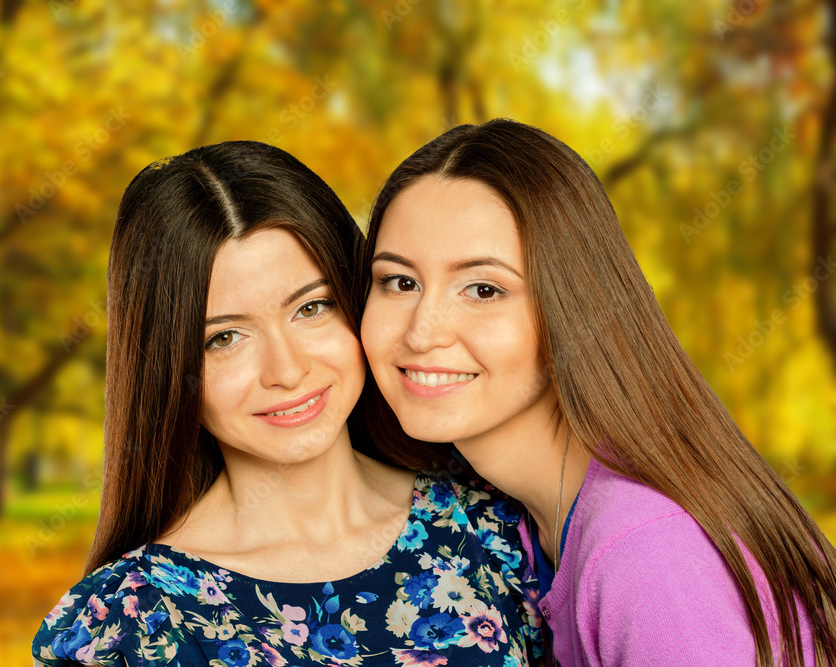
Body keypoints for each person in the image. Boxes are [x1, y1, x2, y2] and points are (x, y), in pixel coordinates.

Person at [31, 140, 543, 666]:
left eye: (311, 308)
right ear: (170, 372)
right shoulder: (135, 624)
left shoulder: (491, 529)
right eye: (224, 338)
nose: (288, 370)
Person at [358, 118, 836, 666]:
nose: (422, 332)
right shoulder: (529, 518)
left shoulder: (644, 550)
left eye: (484, 289)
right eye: (400, 282)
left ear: (570, 305)